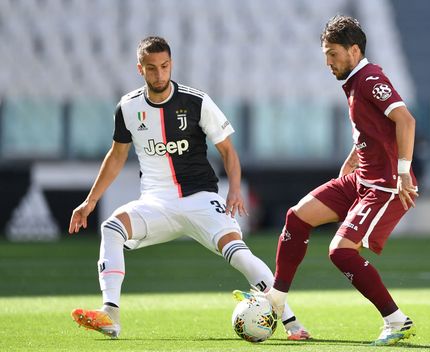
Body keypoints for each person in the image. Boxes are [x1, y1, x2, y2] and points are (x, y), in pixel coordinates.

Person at [68, 36, 310, 341]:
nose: (159, 74)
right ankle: (111, 315)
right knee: (111, 227)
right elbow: (117, 156)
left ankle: (293, 325)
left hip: (201, 199)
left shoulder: (197, 102)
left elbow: (228, 152)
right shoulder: (128, 107)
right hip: (156, 202)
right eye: (152, 68)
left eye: (165, 66)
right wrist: (90, 201)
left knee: (239, 256)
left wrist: (234, 189)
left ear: (172, 64)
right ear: (139, 69)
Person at [236, 15, 418, 346]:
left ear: (354, 50)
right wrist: (352, 158)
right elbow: (371, 129)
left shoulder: (370, 78)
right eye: (325, 54)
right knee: (298, 215)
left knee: (340, 252)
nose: (328, 62)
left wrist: (404, 170)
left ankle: (396, 320)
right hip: (362, 177)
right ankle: (277, 296)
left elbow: (405, 120)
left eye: (333, 54)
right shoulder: (353, 81)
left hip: (386, 184)